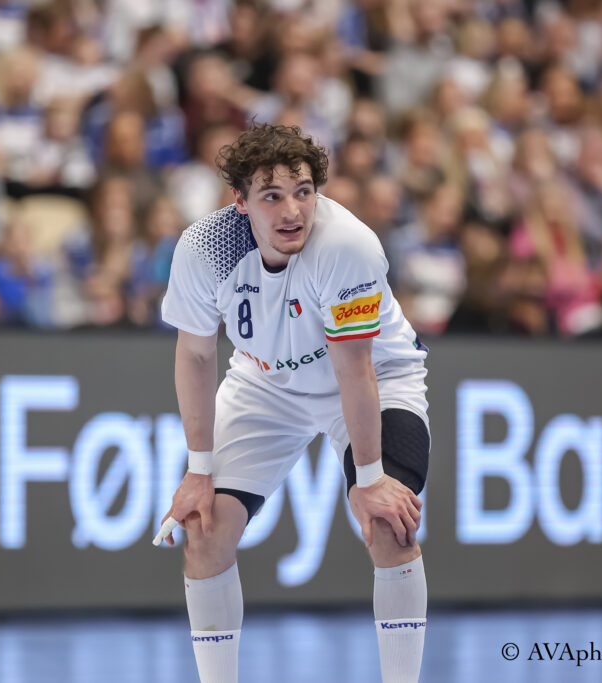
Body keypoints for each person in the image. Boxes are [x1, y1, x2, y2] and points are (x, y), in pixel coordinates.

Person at [154, 123, 429, 683]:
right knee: (204, 531)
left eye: (303, 191)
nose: (292, 211)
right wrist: (198, 470)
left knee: (389, 525)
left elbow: (353, 368)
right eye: (272, 196)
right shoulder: (206, 248)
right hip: (264, 383)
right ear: (240, 202)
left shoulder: (346, 245)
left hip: (376, 376)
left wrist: (369, 479)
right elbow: (197, 355)